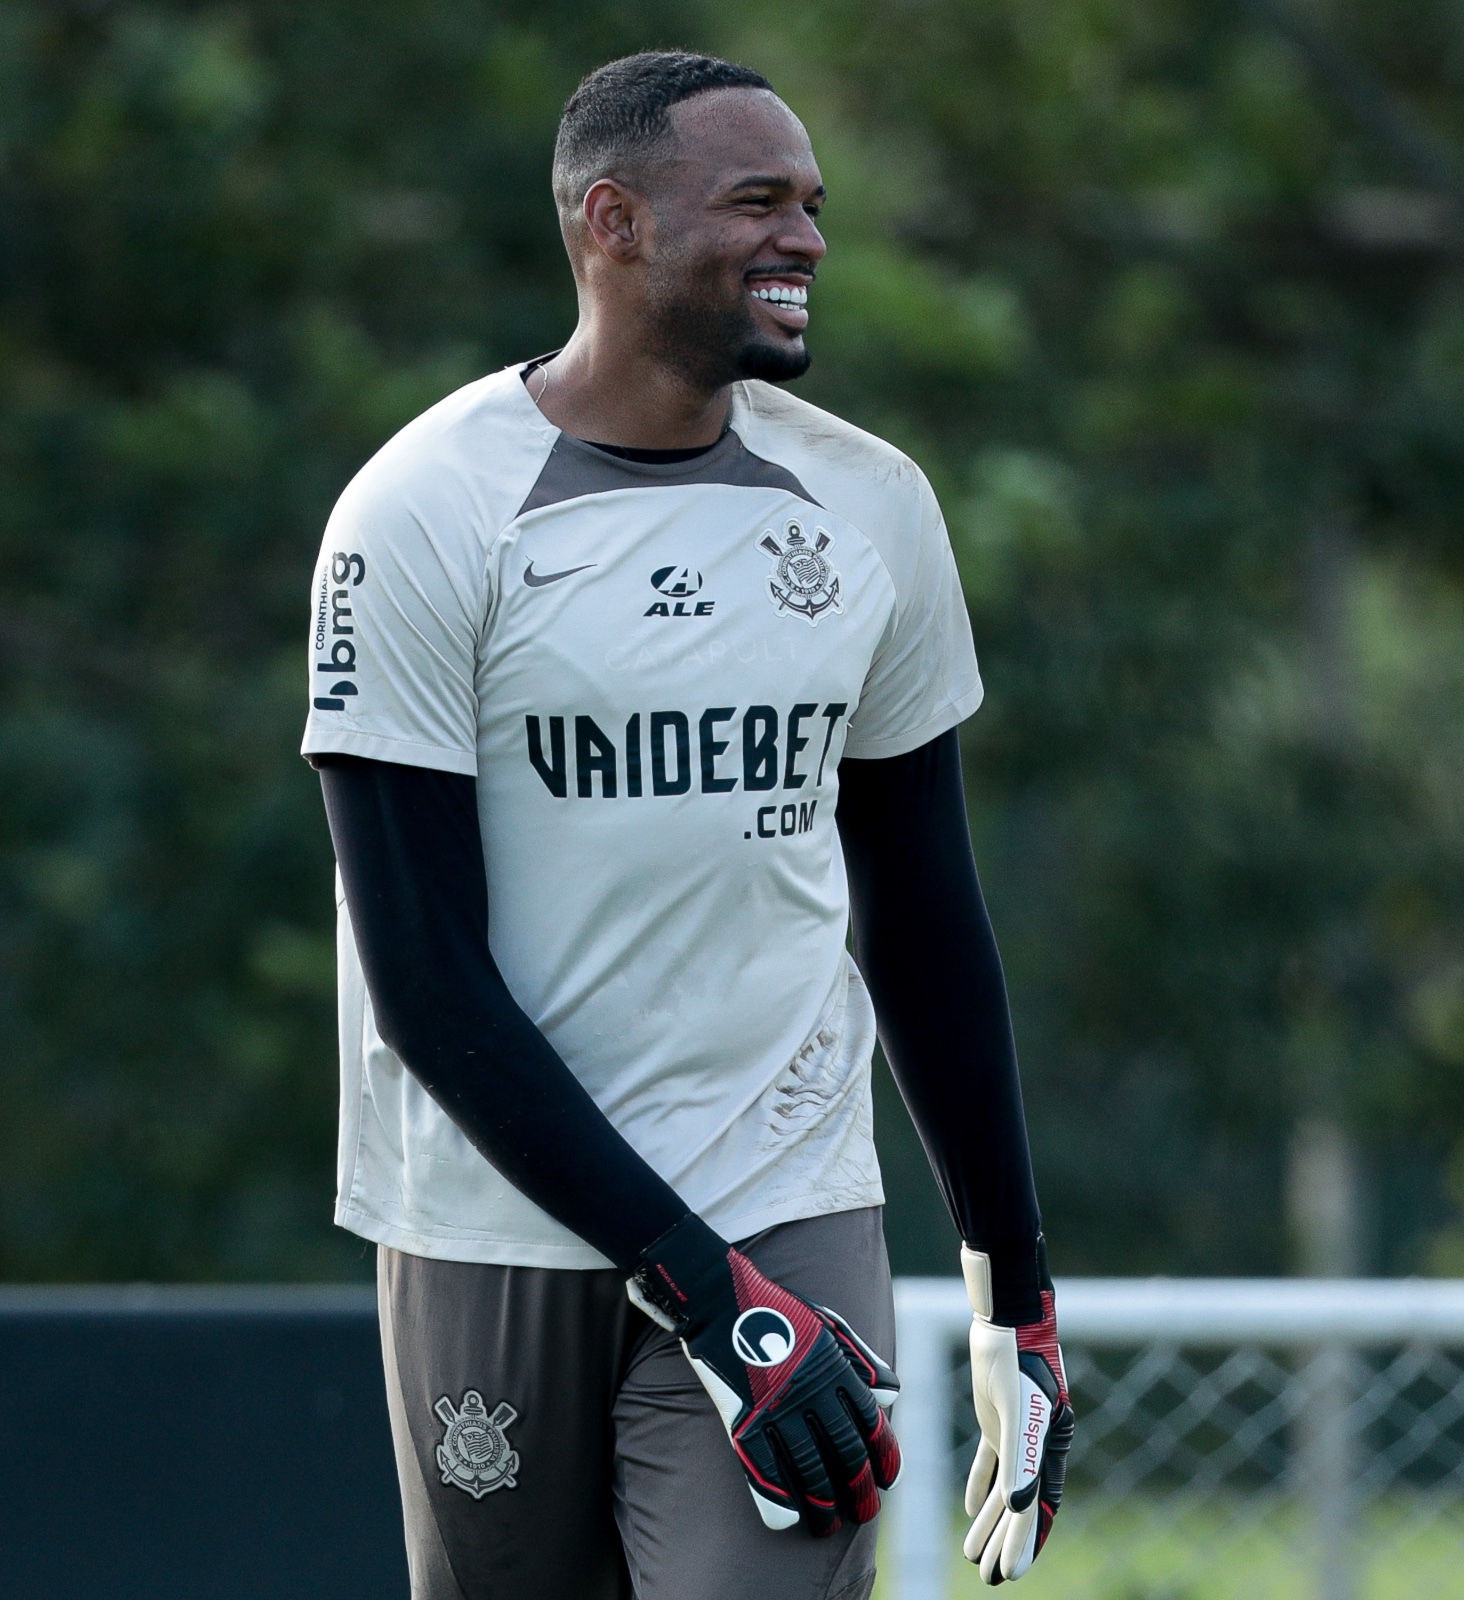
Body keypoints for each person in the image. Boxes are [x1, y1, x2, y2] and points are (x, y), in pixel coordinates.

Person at [302, 49, 1072, 1600]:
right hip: (490, 1219)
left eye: (813, 206)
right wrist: (696, 1293)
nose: (808, 241)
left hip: (785, 1207)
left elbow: (925, 922)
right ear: (614, 223)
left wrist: (1017, 1295)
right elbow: (430, 985)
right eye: (759, 203)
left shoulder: (872, 510)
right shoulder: (420, 516)